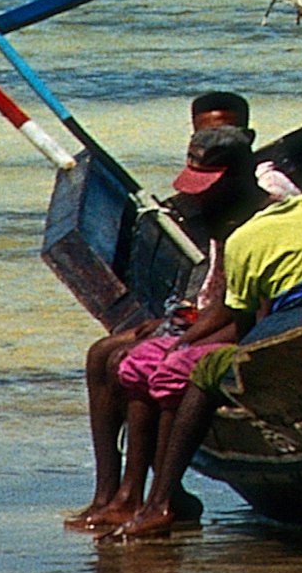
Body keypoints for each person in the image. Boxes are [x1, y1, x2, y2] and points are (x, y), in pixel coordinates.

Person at [98, 168, 302, 542]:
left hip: (292, 338)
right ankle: (145, 498)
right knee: (146, 361)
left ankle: (160, 501)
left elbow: (248, 322)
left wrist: (185, 343)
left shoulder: (243, 241)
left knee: (201, 370)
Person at [59, 92, 256, 530]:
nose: (210, 139)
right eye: (201, 134)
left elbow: (236, 297)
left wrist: (184, 332)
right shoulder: (206, 200)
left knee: (141, 361)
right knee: (101, 354)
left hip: (218, 319)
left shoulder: (250, 203)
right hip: (197, 310)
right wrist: (178, 316)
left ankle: (151, 495)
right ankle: (110, 493)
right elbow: (207, 273)